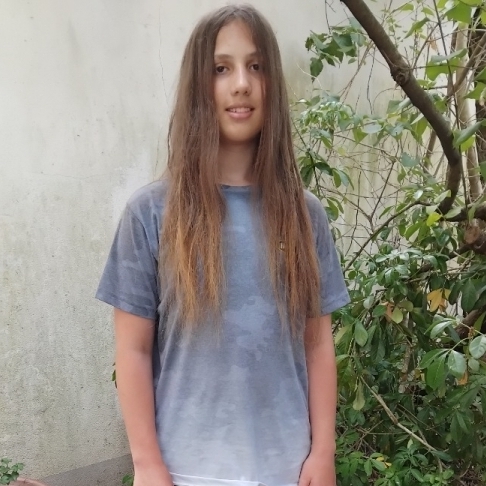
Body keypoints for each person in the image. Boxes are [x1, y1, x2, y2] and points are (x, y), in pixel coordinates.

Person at [96, 4, 350, 486]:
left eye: (256, 66)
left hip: (289, 469)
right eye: (221, 68)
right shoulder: (150, 214)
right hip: (185, 472)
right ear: (199, 85)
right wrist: (147, 464)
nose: (241, 84)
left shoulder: (305, 215)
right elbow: (133, 351)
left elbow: (318, 345)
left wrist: (323, 453)